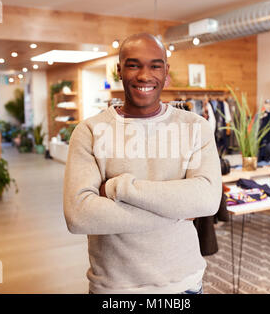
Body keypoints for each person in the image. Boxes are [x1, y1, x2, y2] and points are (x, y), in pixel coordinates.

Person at [63, 33, 222, 294]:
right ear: (119, 71)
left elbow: (207, 201)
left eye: (155, 65)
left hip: (186, 284)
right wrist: (177, 209)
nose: (144, 75)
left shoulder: (195, 127)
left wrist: (118, 189)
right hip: (115, 289)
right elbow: (79, 217)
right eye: (134, 65)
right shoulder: (90, 130)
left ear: (166, 72)